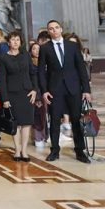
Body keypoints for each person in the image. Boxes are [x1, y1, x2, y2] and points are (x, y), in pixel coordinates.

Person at [38, 20, 92, 163]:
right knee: (54, 121)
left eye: (56, 28)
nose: (54, 30)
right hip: (54, 90)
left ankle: (80, 151)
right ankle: (55, 150)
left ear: (61, 29)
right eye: (51, 29)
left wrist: (86, 89)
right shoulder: (45, 48)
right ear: (48, 32)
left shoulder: (72, 46)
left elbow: (81, 68)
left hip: (73, 88)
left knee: (76, 120)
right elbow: (41, 72)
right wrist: (44, 91)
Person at [0, 32, 37, 162]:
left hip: (27, 93)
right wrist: (5, 99)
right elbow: (1, 80)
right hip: (12, 93)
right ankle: (17, 150)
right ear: (8, 42)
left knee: (26, 123)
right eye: (12, 40)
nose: (15, 42)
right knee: (16, 123)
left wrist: (35, 90)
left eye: (17, 40)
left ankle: (24, 151)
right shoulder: (3, 58)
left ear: (20, 42)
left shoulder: (26, 56)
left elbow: (33, 73)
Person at [29, 42, 47, 148]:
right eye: (34, 49)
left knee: (45, 115)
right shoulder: (30, 63)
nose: (37, 51)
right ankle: (37, 138)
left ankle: (44, 136)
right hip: (36, 93)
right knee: (37, 116)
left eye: (38, 48)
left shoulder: (45, 62)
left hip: (46, 92)